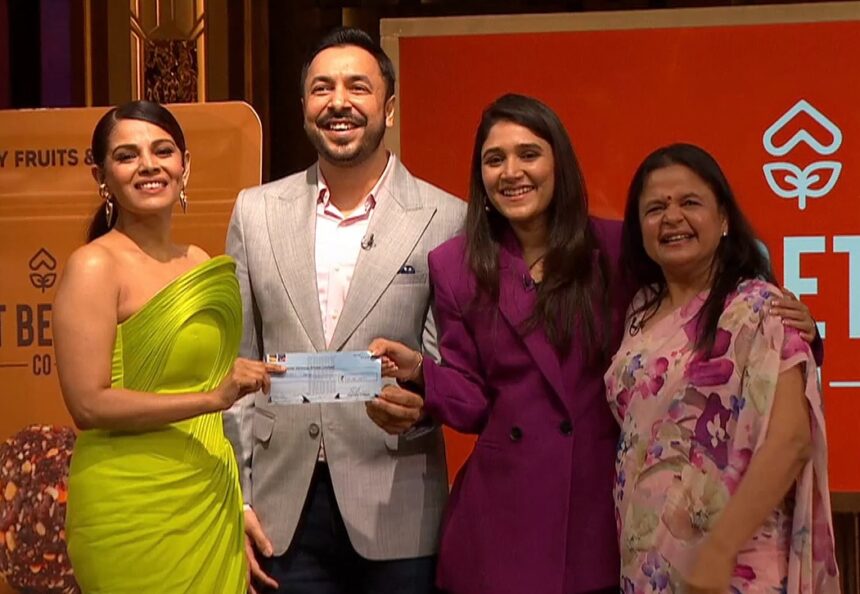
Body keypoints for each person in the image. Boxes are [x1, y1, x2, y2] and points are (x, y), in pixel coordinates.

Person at [367, 96, 823, 594]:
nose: (512, 172)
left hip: (599, 517)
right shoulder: (455, 264)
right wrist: (422, 373)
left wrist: (798, 329)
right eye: (495, 159)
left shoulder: (614, 248)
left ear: (558, 162)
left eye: (528, 154)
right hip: (502, 517)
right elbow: (473, 400)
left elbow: (711, 294)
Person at [223, 27, 466, 594]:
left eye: (358, 87)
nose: (339, 102)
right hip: (281, 511)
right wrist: (239, 498)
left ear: (389, 107)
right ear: (304, 107)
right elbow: (236, 368)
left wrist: (422, 407)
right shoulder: (255, 212)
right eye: (322, 88)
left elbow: (451, 371)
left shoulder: (445, 217)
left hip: (397, 504)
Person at [53, 100, 281, 594]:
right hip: (131, 505)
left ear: (185, 165)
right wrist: (212, 398)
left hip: (209, 496)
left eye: (162, 151)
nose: (149, 166)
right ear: (101, 177)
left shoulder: (198, 261)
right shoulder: (94, 267)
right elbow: (88, 404)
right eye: (127, 156)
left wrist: (238, 502)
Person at [604, 143, 839, 593]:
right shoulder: (638, 311)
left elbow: (791, 440)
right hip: (648, 566)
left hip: (733, 566)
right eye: (655, 208)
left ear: (725, 219)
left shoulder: (761, 309)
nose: (672, 217)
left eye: (690, 202)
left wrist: (719, 550)